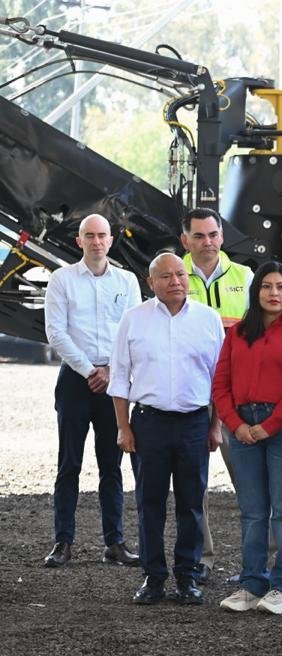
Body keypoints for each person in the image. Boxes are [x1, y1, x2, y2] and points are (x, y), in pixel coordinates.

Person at [108, 252, 225, 604]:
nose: (175, 281)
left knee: (192, 504)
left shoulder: (208, 319)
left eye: (180, 274)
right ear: (151, 283)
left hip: (194, 423)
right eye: (166, 276)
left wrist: (215, 427)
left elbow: (220, 379)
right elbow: (118, 378)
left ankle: (187, 577)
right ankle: (153, 577)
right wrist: (123, 428)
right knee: (149, 503)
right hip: (148, 424)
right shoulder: (133, 319)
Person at [212, 262, 282, 615]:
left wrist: (268, 427)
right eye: (266, 286)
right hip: (242, 428)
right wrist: (235, 424)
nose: (274, 293)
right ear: (255, 291)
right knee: (253, 512)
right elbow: (220, 385)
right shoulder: (238, 333)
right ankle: (252, 584)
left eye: (281, 287)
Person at [42, 213, 142, 569]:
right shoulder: (62, 280)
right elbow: (56, 333)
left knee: (111, 466)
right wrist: (90, 371)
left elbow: (134, 332)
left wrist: (113, 371)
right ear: (79, 241)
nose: (97, 241)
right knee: (68, 463)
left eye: (102, 235)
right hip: (75, 380)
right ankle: (63, 542)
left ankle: (114, 543)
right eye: (90, 235)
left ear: (111, 240)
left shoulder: (127, 281)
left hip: (114, 379)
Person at [181, 207, 252, 579]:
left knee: (251, 482)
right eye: (198, 236)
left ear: (222, 237)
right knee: (195, 485)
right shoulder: (174, 275)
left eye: (212, 235)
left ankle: (263, 562)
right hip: (190, 392)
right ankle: (201, 559)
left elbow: (262, 329)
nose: (207, 242)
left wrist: (231, 326)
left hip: (238, 394)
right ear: (185, 240)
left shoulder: (246, 276)